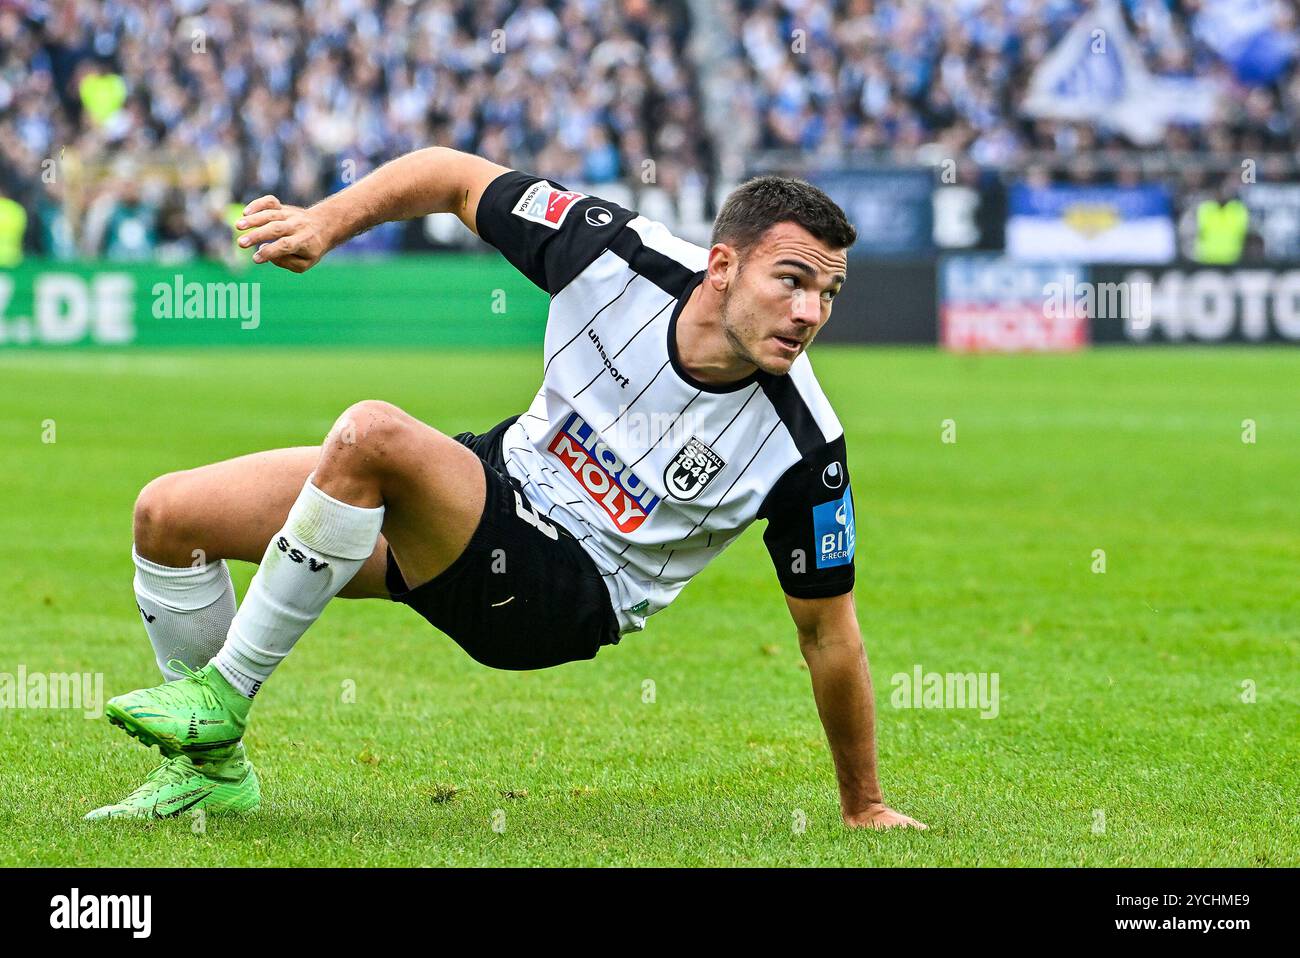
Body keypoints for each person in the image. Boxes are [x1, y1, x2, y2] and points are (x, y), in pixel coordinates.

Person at [86, 146, 926, 831]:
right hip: (487, 491)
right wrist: (326, 220)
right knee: (168, 516)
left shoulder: (805, 444)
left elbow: (829, 636)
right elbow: (455, 177)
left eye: (828, 292)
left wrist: (866, 805)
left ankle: (223, 697)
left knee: (372, 434)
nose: (811, 311)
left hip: (564, 594)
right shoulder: (612, 250)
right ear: (721, 266)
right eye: (792, 279)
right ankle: (211, 776)